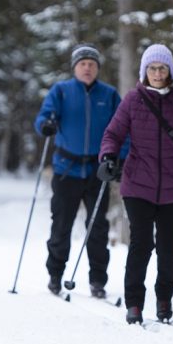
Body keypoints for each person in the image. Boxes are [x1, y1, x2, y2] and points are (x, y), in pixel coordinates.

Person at [98, 44, 173, 325]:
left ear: (170, 70)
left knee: (168, 247)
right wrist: (108, 156)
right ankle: (134, 303)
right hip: (138, 183)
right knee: (141, 244)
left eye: (162, 68)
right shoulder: (133, 100)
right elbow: (113, 133)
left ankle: (164, 299)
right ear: (144, 71)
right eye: (152, 68)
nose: (157, 73)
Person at [34, 43, 125, 299]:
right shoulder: (61, 91)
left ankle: (97, 280)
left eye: (92, 64)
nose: (87, 68)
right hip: (67, 169)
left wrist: (120, 158)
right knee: (61, 225)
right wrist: (46, 125)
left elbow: (122, 128)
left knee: (97, 228)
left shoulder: (108, 95)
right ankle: (55, 274)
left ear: (97, 68)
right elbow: (43, 117)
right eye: (83, 64)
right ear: (75, 67)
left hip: (98, 170)